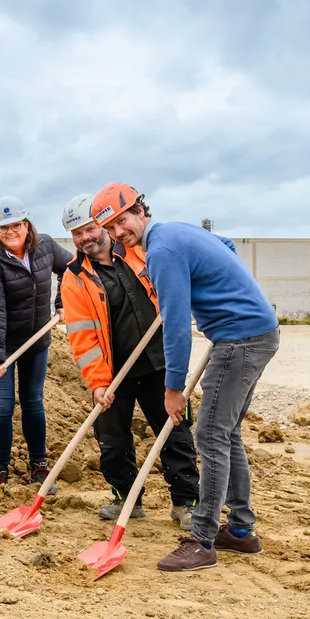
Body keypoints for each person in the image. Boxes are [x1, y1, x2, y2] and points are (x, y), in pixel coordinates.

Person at [93, 183, 280, 572]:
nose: (118, 232)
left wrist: (173, 388)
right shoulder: (176, 232)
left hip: (239, 339)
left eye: (122, 221)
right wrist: (218, 290)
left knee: (210, 435)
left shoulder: (161, 251)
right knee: (226, 433)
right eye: (110, 228)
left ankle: (202, 540)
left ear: (140, 211)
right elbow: (225, 246)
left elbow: (176, 328)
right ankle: (241, 531)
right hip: (256, 332)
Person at [59, 193, 200, 530]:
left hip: (158, 362)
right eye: (77, 234)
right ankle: (127, 499)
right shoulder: (74, 278)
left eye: (90, 228)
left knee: (174, 432)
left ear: (104, 225)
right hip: (113, 372)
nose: (85, 238)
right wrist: (98, 383)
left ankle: (185, 503)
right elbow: (82, 338)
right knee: (112, 441)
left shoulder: (140, 250)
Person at [0, 195, 73, 486]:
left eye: (16, 225)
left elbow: (71, 268)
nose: (11, 232)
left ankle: (39, 466)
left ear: (26, 224)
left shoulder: (46, 246)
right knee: (2, 405)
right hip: (3, 343)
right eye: (4, 228)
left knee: (33, 402)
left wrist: (62, 302)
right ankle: (0, 470)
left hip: (37, 340)